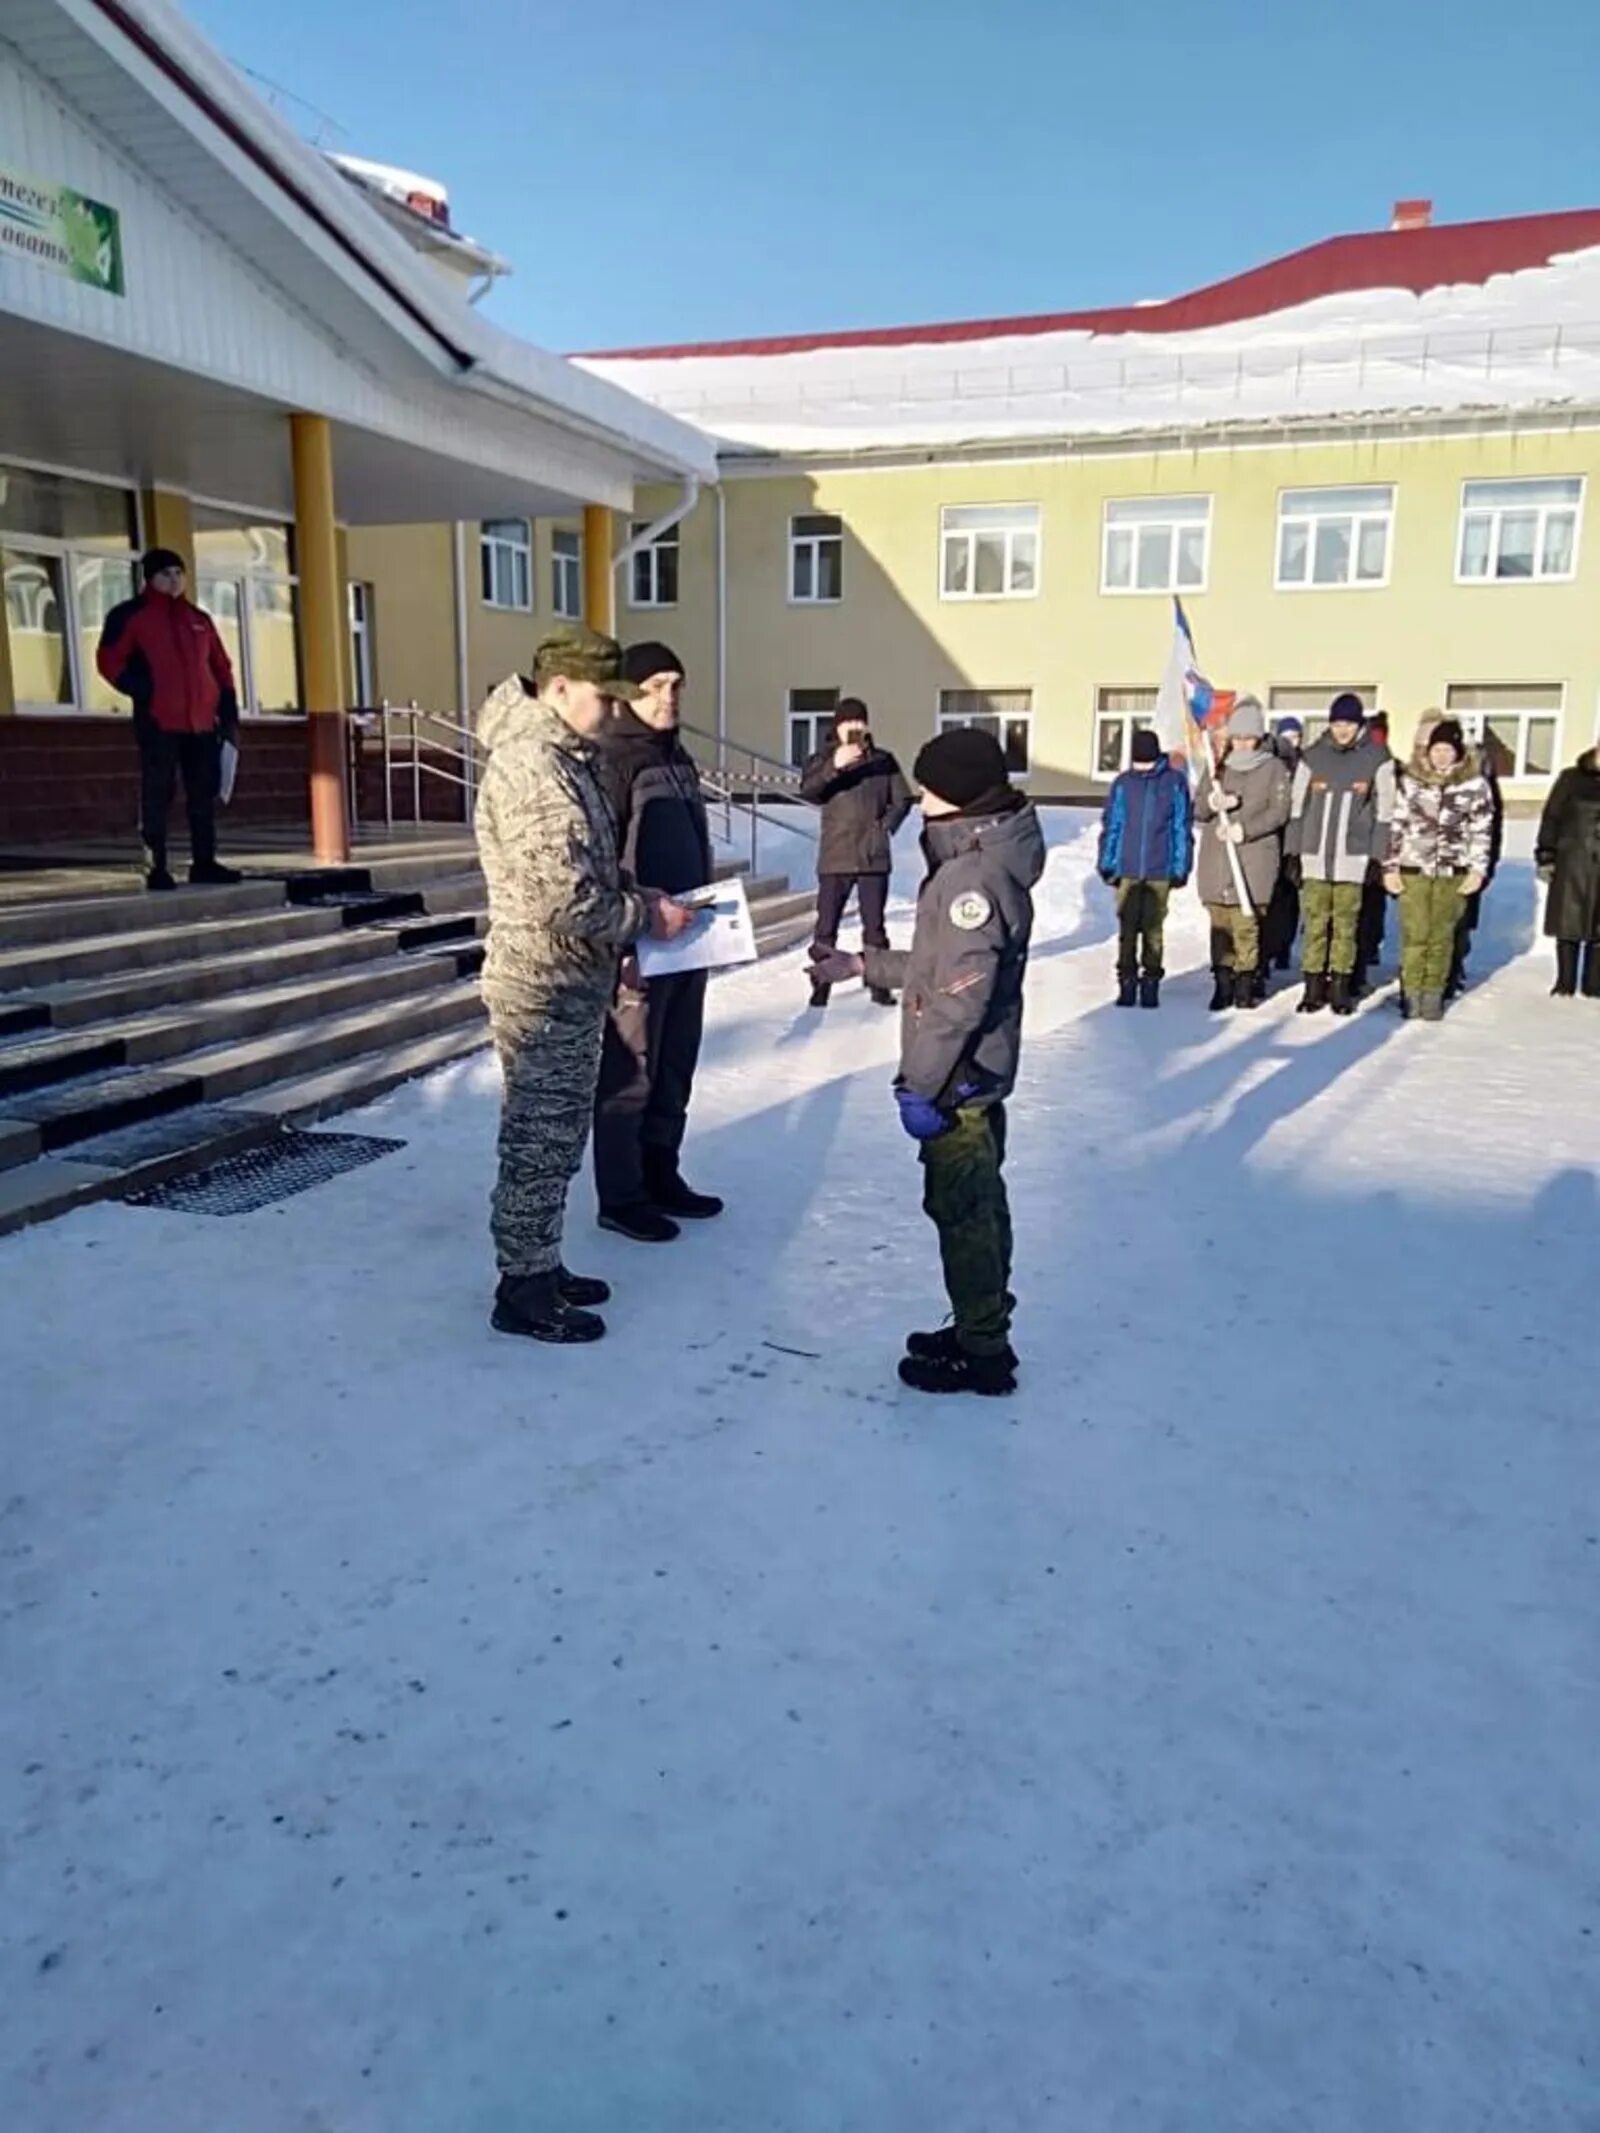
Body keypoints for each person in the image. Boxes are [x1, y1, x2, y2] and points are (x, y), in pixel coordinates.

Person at [474, 624, 696, 1344]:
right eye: (603, 697)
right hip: (543, 980)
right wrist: (645, 915)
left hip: (569, 975)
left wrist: (635, 887)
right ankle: (523, 1287)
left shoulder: (567, 756)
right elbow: (558, 897)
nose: (610, 711)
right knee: (538, 1135)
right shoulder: (535, 764)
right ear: (560, 689)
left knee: (559, 1130)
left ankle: (541, 1260)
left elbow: (587, 867)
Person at [808, 726, 1044, 1397]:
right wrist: (863, 964)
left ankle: (983, 1351)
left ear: (958, 796)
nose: (921, 794)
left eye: (930, 783)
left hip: (959, 1081)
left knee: (964, 1210)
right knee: (977, 1203)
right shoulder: (976, 855)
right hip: (970, 1072)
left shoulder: (972, 876)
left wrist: (921, 1085)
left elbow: (959, 1001)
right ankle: (980, 1321)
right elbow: (942, 970)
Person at [591, 641, 722, 1245]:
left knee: (675, 1063)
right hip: (639, 941)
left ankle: (660, 1172)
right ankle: (621, 1195)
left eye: (676, 684)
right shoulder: (613, 760)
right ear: (625, 694)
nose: (668, 697)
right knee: (632, 1069)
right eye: (654, 686)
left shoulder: (676, 757)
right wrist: (626, 934)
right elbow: (600, 859)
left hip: (688, 936)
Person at [95, 547, 241, 891]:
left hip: (201, 723)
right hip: (159, 720)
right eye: (165, 574)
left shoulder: (199, 619)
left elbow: (220, 665)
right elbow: (108, 660)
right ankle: (156, 865)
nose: (173, 580)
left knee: (202, 794)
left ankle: (204, 862)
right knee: (158, 793)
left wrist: (228, 704)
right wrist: (142, 689)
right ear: (150, 578)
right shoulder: (130, 616)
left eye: (178, 573)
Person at [1284, 692, 1396, 1017]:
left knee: (1346, 925)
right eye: (1336, 723)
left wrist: (1377, 857)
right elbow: (1296, 807)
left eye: (1348, 723)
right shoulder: (1312, 757)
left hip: (1353, 858)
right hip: (1314, 856)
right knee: (1315, 924)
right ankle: (1313, 987)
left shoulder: (1377, 758)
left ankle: (1340, 988)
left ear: (1359, 724)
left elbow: (1385, 812)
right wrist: (1293, 851)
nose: (1342, 730)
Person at [800, 699, 913, 1009]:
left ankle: (879, 983)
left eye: (859, 723)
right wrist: (834, 766)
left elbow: (902, 798)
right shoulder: (821, 760)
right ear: (837, 727)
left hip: (872, 855)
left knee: (874, 924)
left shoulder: (883, 760)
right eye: (848, 723)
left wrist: (885, 827)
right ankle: (820, 982)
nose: (854, 729)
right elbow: (809, 791)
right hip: (836, 852)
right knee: (826, 925)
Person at [1383, 718, 1494, 1023]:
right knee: (1415, 935)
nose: (1441, 755)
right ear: (1428, 752)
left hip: (1453, 871)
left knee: (1441, 937)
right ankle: (1411, 994)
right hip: (1413, 869)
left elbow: (1482, 830)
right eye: (1437, 749)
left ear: (1458, 753)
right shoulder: (1411, 782)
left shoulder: (1474, 786)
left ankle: (1433, 994)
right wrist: (1390, 866)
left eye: (1447, 750)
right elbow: (1396, 826)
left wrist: (1477, 870)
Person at [1194, 696, 1293, 1011]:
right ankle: (1222, 982)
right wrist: (1212, 802)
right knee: (1220, 926)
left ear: (1259, 737)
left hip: (1252, 860)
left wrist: (1245, 829)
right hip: (1217, 860)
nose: (1242, 744)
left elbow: (1279, 811)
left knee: (1246, 925)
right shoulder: (1218, 767)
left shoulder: (1273, 768)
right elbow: (1197, 808)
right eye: (1237, 737)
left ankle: (1245, 984)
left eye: (1248, 738)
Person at [1096, 727, 1193, 1008]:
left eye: (1146, 763)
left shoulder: (1173, 783)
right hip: (1127, 869)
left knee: (1153, 929)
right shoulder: (1124, 784)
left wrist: (1179, 865)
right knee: (1127, 928)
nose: (1142, 768)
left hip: (1159, 868)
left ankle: (1151, 980)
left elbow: (1180, 827)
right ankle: (1126, 980)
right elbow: (1113, 825)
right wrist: (1108, 863)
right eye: (1137, 763)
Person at [1534, 743, 1600, 998]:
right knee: (1568, 922)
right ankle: (1565, 982)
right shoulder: (1571, 778)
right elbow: (1552, 816)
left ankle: (1594, 984)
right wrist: (1546, 853)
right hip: (1572, 859)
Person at [1448, 736, 1503, 999]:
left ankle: (1454, 969)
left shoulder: (1484, 787)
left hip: (1471, 863)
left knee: (1462, 921)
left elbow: (1493, 829)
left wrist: (1486, 865)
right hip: (1443, 862)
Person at [1355, 710, 1396, 985]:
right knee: (1364, 911)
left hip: (1373, 849)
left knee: (1366, 911)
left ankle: (1363, 959)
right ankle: (1362, 959)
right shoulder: (1365, 764)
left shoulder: (1389, 766)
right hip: (1359, 848)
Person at [1263, 717, 1304, 972]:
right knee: (1269, 897)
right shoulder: (1270, 764)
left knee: (1289, 899)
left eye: (1295, 736)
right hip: (1270, 838)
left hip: (1293, 839)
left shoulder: (1304, 765)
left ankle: (1284, 947)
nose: (1291, 741)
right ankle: (1266, 951)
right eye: (1286, 736)